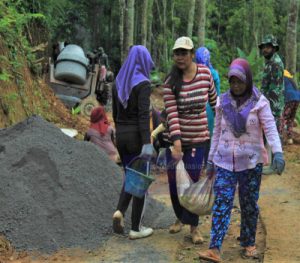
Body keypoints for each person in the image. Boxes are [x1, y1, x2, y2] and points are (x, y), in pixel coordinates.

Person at [198, 58, 285, 263]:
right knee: (222, 202)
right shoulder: (223, 102)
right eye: (232, 81)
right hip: (224, 161)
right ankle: (215, 248)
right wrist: (210, 160)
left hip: (251, 163)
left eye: (240, 81)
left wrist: (278, 152)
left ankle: (248, 242)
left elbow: (270, 129)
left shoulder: (260, 102)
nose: (236, 86)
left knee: (248, 204)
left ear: (248, 80)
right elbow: (217, 132)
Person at [163, 36, 218, 244]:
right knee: (173, 182)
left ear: (192, 54)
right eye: (177, 53)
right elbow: (172, 114)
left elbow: (215, 102)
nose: (180, 57)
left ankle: (194, 228)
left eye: (184, 53)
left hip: (199, 138)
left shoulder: (205, 75)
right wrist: (176, 143)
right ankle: (179, 216)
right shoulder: (170, 81)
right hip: (176, 138)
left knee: (193, 182)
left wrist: (223, 130)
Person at [111, 45, 156, 240]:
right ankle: (136, 228)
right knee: (140, 181)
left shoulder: (118, 82)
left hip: (121, 136)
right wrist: (147, 144)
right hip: (137, 138)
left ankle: (120, 211)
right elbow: (143, 117)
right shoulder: (143, 84)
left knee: (131, 175)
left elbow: (114, 113)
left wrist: (119, 134)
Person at [258, 34, 284, 174]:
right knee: (269, 132)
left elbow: (274, 89)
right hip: (269, 103)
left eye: (268, 47)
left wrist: (265, 105)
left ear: (274, 48)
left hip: (272, 105)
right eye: (264, 47)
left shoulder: (275, 63)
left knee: (272, 133)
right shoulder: (270, 62)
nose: (265, 50)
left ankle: (275, 166)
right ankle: (271, 163)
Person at [195, 46, 221, 170]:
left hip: (197, 109)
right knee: (210, 137)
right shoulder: (214, 73)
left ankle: (197, 164)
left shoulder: (193, 71)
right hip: (211, 109)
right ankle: (208, 163)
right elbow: (218, 94)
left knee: (198, 137)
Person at [282, 69, 300, 145]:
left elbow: (281, 91)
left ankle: (279, 138)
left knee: (283, 118)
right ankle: (289, 139)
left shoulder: (283, 79)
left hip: (290, 98)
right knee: (290, 119)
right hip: (297, 99)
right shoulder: (291, 79)